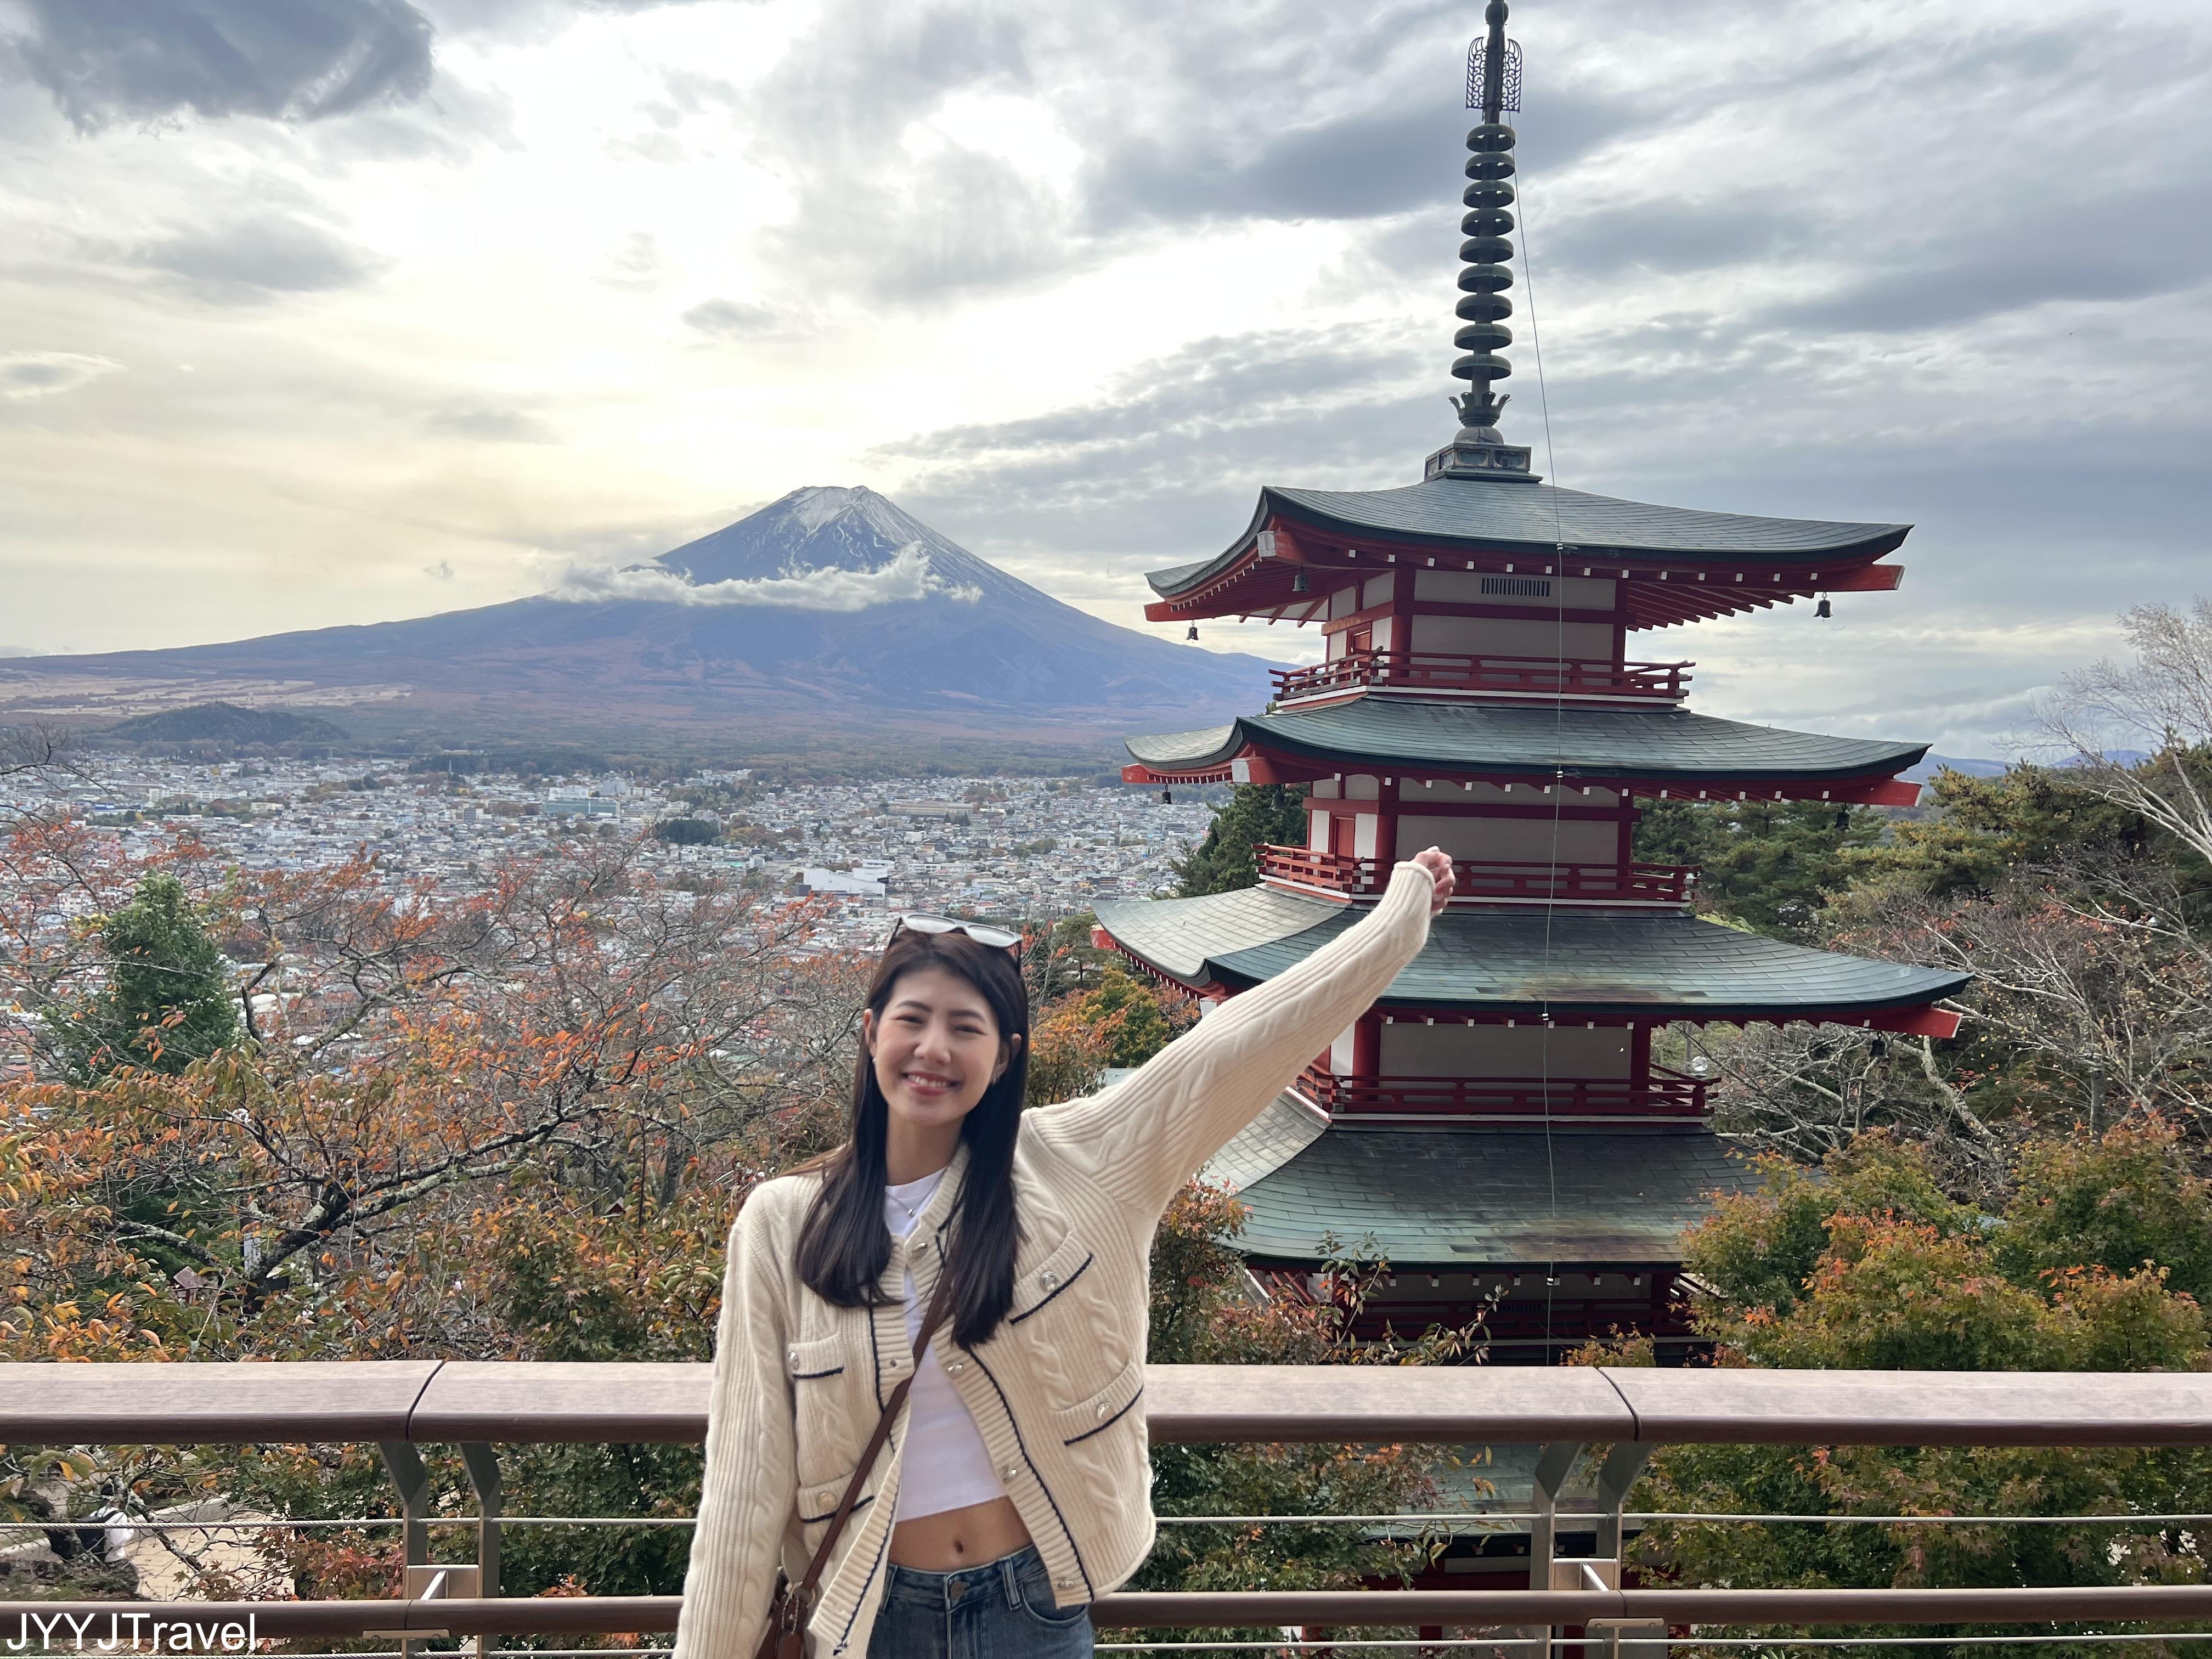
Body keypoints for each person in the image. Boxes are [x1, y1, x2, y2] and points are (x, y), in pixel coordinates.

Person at [669, 847, 1455, 1659]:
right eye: (912, 1019)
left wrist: (1393, 926)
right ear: (871, 1034)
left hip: (1031, 1607)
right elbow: (743, 1483)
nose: (933, 1049)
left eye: (965, 1027)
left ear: (1004, 1055)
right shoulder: (783, 1222)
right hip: (869, 1621)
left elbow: (1231, 1051)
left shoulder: (1078, 1162)